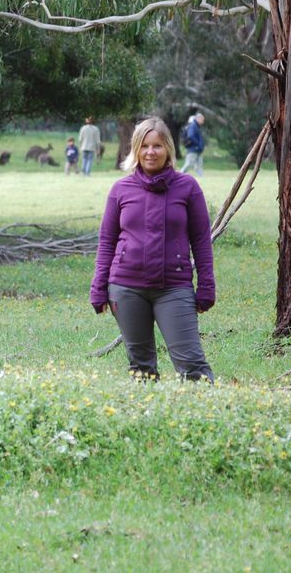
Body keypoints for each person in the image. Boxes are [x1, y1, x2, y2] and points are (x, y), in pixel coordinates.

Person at [89, 116, 215, 382]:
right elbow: (107, 242)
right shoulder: (120, 190)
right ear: (135, 149)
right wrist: (98, 287)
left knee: (192, 364)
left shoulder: (188, 188)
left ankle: (206, 416)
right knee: (141, 367)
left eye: (157, 145)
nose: (150, 152)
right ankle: (146, 418)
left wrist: (206, 286)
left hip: (174, 287)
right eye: (144, 146)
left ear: (168, 148)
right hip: (125, 287)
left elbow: (201, 241)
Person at [180, 112, 206, 176]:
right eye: (202, 120)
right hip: (193, 148)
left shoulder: (197, 126)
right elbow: (191, 136)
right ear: (198, 119)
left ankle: (201, 177)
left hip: (198, 149)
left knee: (199, 164)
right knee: (189, 164)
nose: (203, 121)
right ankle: (179, 175)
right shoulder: (193, 125)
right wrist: (197, 144)